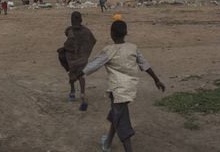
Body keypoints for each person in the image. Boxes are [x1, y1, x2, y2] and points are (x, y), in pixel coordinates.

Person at [71, 20, 165, 152]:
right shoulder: (133, 47)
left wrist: (76, 75)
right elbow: (145, 65)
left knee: (122, 123)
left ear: (112, 34)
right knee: (116, 114)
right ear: (125, 33)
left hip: (118, 91)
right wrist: (156, 80)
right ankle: (107, 142)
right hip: (130, 90)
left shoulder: (109, 50)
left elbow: (94, 65)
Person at [57, 11, 96, 111]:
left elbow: (68, 44)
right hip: (82, 58)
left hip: (72, 59)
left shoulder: (70, 31)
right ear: (81, 20)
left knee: (71, 73)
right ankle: (82, 93)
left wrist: (64, 48)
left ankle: (73, 91)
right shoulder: (86, 31)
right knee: (81, 75)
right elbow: (92, 40)